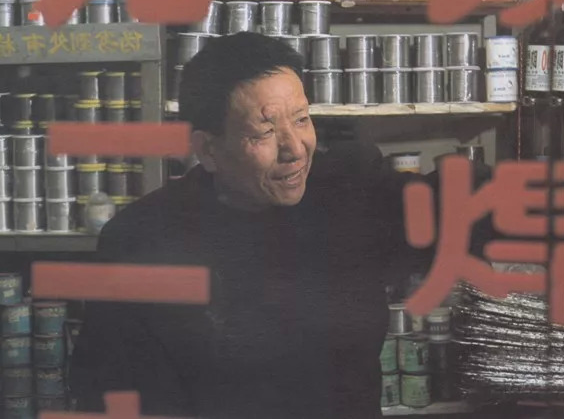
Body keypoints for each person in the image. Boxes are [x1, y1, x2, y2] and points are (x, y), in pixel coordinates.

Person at [70, 32, 428, 418]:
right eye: (265, 132)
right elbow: (112, 396)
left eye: (302, 119)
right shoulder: (140, 242)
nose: (295, 149)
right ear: (208, 150)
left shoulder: (348, 195)